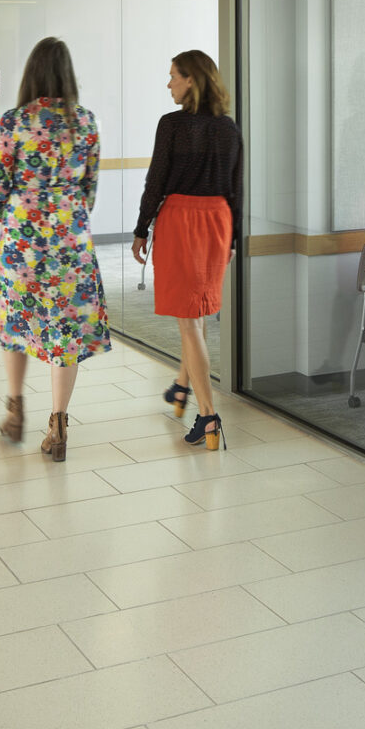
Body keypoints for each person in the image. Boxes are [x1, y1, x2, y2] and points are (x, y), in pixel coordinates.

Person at [0, 37, 110, 461]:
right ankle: (58, 424)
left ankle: (15, 409)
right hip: (70, 241)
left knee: (17, 324)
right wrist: (68, 215)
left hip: (24, 240)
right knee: (65, 334)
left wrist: (12, 216)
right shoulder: (87, 123)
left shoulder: (14, 122)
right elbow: (89, 189)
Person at [133, 50, 240, 451]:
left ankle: (209, 417)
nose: (169, 83)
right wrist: (232, 239)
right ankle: (181, 387)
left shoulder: (173, 125)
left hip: (182, 220)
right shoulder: (228, 128)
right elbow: (236, 189)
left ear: (191, 79)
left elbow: (156, 180)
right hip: (218, 221)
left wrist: (141, 228)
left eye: (174, 76)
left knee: (188, 320)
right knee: (194, 312)